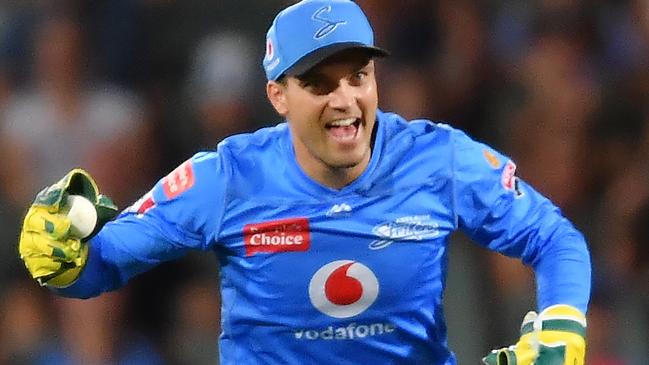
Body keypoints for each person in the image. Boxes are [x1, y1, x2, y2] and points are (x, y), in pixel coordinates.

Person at [18, 1, 591, 364]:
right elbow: (100, 267)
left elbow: (555, 240)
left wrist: (562, 324)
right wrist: (59, 257)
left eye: (358, 76)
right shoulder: (226, 177)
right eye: (319, 84)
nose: (345, 100)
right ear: (278, 96)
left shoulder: (439, 159)